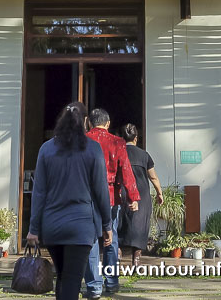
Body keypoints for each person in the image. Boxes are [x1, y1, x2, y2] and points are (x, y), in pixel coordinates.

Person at [27, 102, 112, 300]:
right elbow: (101, 190)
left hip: (52, 226)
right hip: (81, 227)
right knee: (73, 280)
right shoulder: (93, 148)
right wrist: (107, 224)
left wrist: (33, 228)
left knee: (63, 278)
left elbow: (38, 192)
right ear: (85, 121)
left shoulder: (46, 149)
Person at [83, 109, 140, 298]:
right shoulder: (117, 142)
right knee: (111, 238)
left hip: (87, 197)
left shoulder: (82, 141)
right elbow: (126, 171)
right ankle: (112, 282)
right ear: (107, 124)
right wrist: (133, 197)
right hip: (110, 196)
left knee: (91, 240)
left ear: (89, 123)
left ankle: (94, 286)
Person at [118, 124, 163, 267]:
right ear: (136, 138)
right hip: (141, 194)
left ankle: (117, 253)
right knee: (140, 225)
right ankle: (136, 258)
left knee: (119, 223)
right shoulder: (144, 155)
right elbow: (153, 177)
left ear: (121, 138)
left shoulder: (118, 152)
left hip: (122, 191)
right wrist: (159, 193)